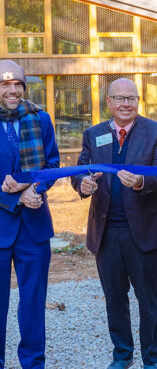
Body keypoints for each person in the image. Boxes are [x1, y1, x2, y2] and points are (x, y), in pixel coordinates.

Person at [71, 78, 157, 369]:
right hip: (106, 232)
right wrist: (82, 184)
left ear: (138, 101)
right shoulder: (93, 134)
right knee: (114, 298)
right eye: (119, 98)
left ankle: (151, 359)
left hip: (145, 231)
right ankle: (122, 355)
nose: (125, 104)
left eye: (131, 98)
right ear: (108, 102)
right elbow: (80, 171)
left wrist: (143, 181)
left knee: (148, 299)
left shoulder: (156, 132)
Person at [0, 60, 59, 368]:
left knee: (33, 304)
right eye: (4, 84)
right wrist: (12, 194)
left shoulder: (41, 119)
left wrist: (33, 188)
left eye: (18, 84)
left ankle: (33, 363)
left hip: (34, 227)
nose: (13, 90)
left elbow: (52, 166)